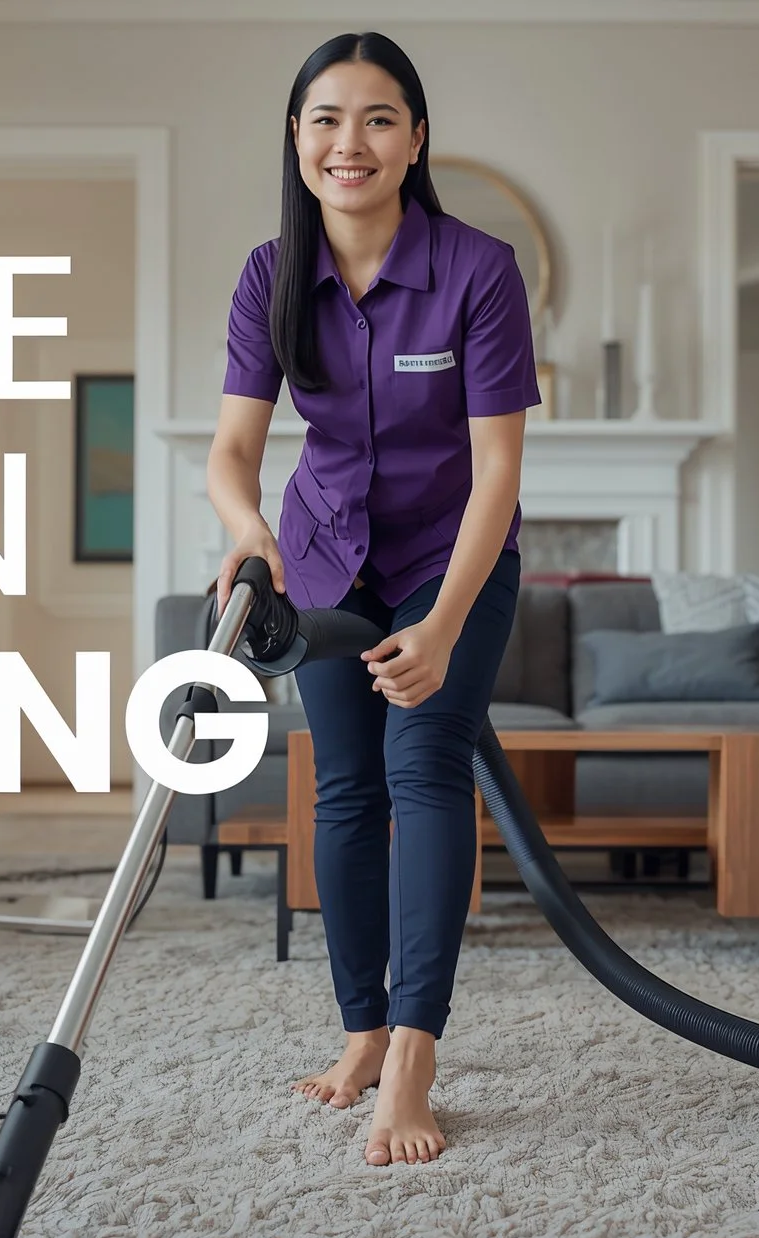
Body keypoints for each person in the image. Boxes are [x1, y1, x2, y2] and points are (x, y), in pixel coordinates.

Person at [205, 31, 539, 1167]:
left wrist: (443, 624)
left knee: (423, 766)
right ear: (296, 138)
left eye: (378, 118)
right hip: (323, 555)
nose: (350, 142)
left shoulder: (477, 269)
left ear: (416, 140)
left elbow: (498, 467)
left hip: (453, 559)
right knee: (343, 788)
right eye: (326, 119)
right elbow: (232, 451)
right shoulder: (270, 273)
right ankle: (358, 1028)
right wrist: (252, 536)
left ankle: (413, 1050)